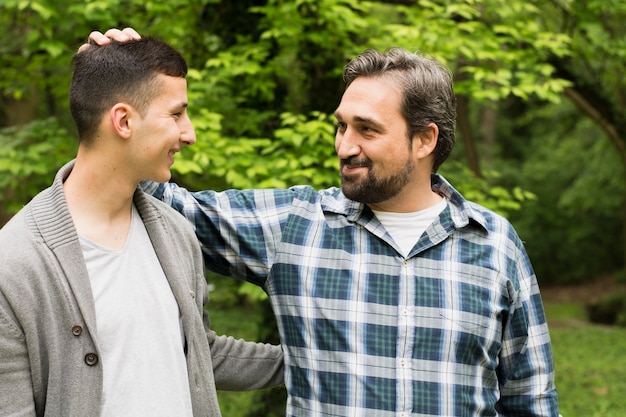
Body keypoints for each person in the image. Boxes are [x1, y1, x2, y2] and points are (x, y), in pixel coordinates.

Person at [89, 29, 560, 416]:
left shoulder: (494, 245)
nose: (344, 146)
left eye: (367, 129)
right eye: (341, 126)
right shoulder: (295, 227)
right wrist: (109, 88)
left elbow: (532, 401)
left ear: (424, 140)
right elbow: (155, 196)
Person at [0, 36, 284, 417]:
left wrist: (307, 359)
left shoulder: (175, 233)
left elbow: (199, 350)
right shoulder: (14, 264)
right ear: (123, 120)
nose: (190, 133)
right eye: (176, 114)